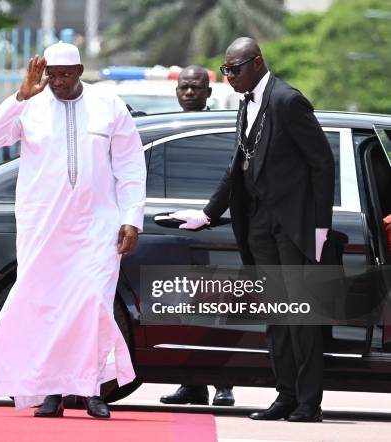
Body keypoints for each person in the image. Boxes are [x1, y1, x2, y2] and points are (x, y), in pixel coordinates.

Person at [0, 41, 146, 419]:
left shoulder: (108, 105)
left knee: (92, 306)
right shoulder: (31, 105)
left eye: (65, 75)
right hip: (43, 225)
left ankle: (91, 389)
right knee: (48, 308)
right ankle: (50, 390)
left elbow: (130, 165)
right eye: (52, 75)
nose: (57, 82)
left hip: (97, 226)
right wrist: (19, 96)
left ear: (81, 70)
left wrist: (131, 217)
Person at [173, 37, 334, 422]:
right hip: (259, 224)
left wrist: (320, 226)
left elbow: (323, 164)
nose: (229, 77)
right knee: (276, 316)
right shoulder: (246, 103)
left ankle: (309, 402)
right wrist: (209, 213)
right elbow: (237, 168)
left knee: (299, 315)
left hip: (293, 226)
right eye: (226, 70)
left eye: (235, 69)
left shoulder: (287, 100)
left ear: (258, 63)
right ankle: (285, 396)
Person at [160, 65, 235, 408]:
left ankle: (223, 384)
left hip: (214, 227)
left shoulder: (220, 127)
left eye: (195, 88)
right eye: (184, 88)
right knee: (183, 308)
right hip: (177, 231)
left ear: (208, 92)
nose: (188, 93)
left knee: (219, 307)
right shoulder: (170, 127)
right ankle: (191, 385)